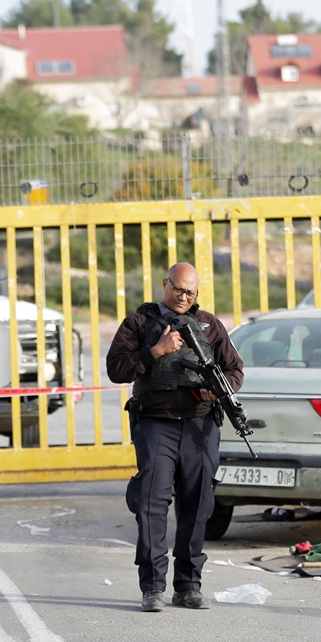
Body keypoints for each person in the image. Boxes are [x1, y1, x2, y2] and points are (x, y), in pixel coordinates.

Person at [106, 262, 244, 612]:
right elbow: (116, 369)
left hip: (200, 427)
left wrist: (214, 393)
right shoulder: (139, 323)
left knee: (198, 505)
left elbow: (234, 369)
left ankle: (188, 585)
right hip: (156, 423)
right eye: (178, 289)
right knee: (151, 504)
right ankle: (153, 587)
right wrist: (156, 350)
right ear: (165, 284)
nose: (183, 297)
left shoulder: (209, 325)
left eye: (190, 292)